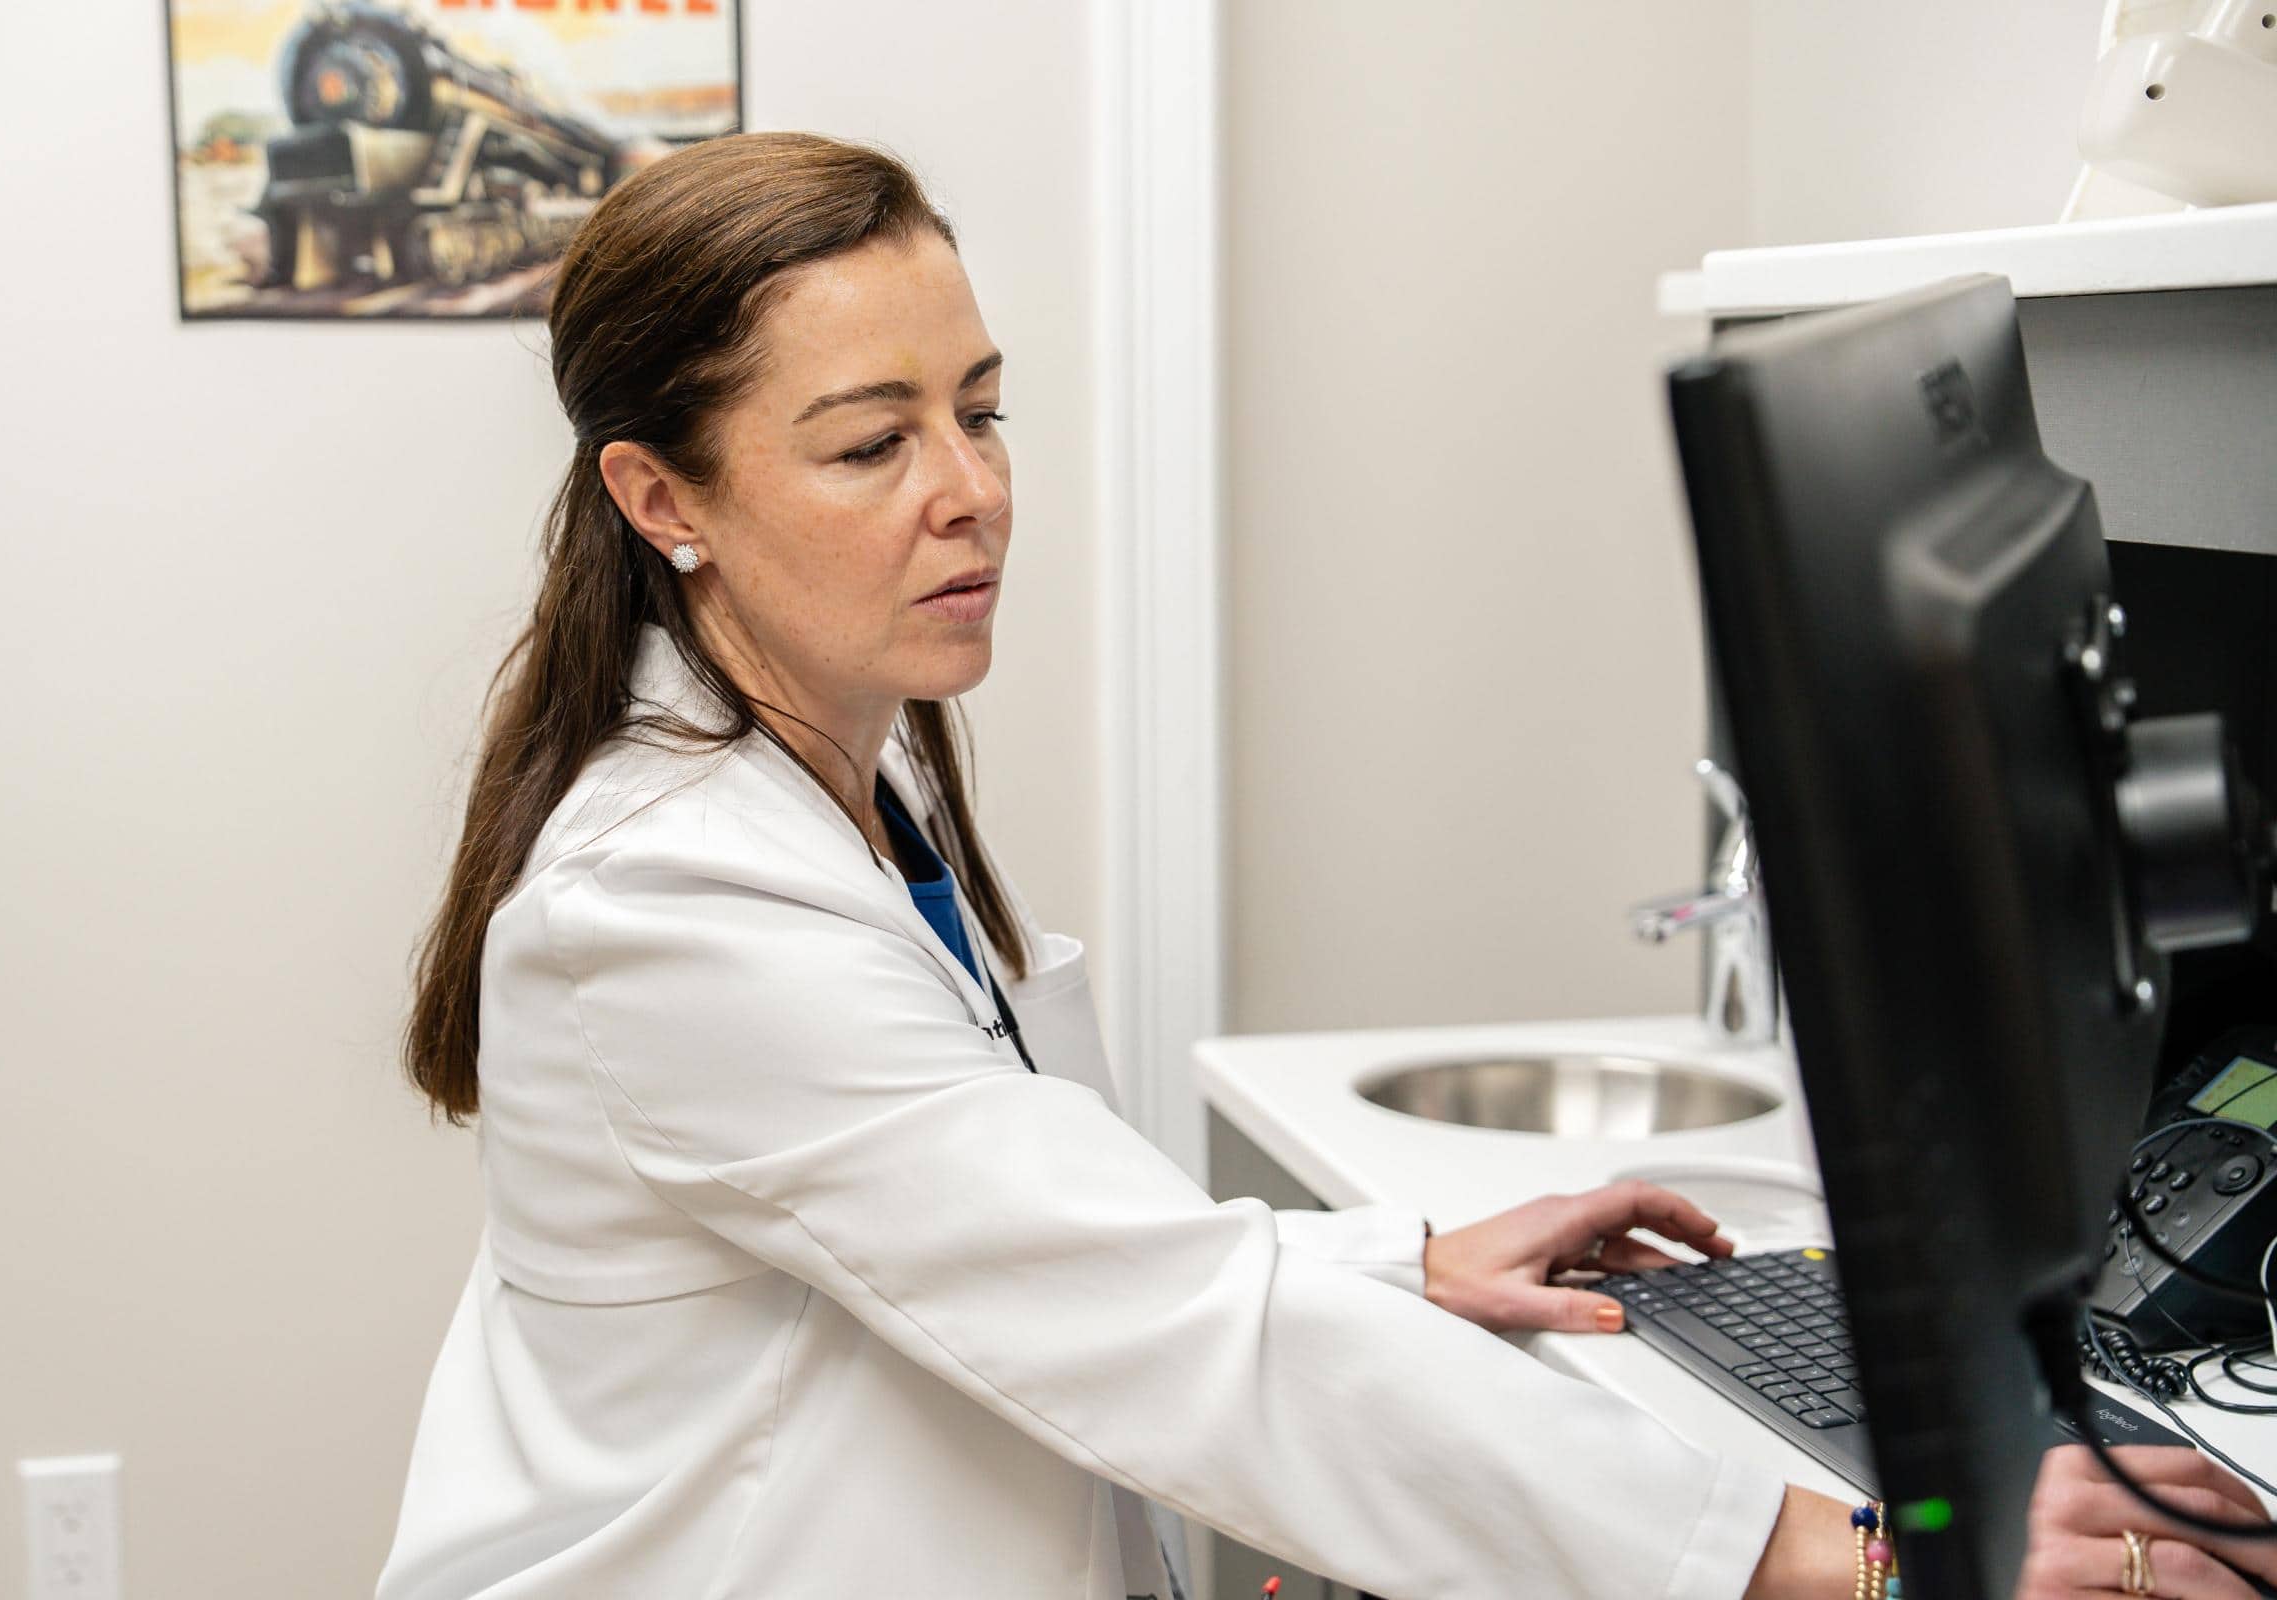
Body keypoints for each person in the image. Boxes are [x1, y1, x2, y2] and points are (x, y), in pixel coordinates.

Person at [377, 131, 2277, 1599]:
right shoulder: (672, 904)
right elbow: (1168, 1338)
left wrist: (1400, 1257)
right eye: (873, 443)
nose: (969, 490)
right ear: (662, 500)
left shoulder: (844, 774)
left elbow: (1024, 1230)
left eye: (982, 407)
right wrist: (1845, 1554)